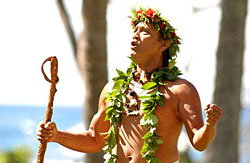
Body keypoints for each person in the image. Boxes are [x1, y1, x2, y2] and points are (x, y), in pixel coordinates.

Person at [36, 8, 223, 163]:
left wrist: (210, 125)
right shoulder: (113, 89)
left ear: (163, 44)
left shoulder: (180, 90)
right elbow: (95, 139)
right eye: (135, 31)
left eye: (145, 32)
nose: (135, 36)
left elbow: (199, 143)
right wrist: (56, 136)